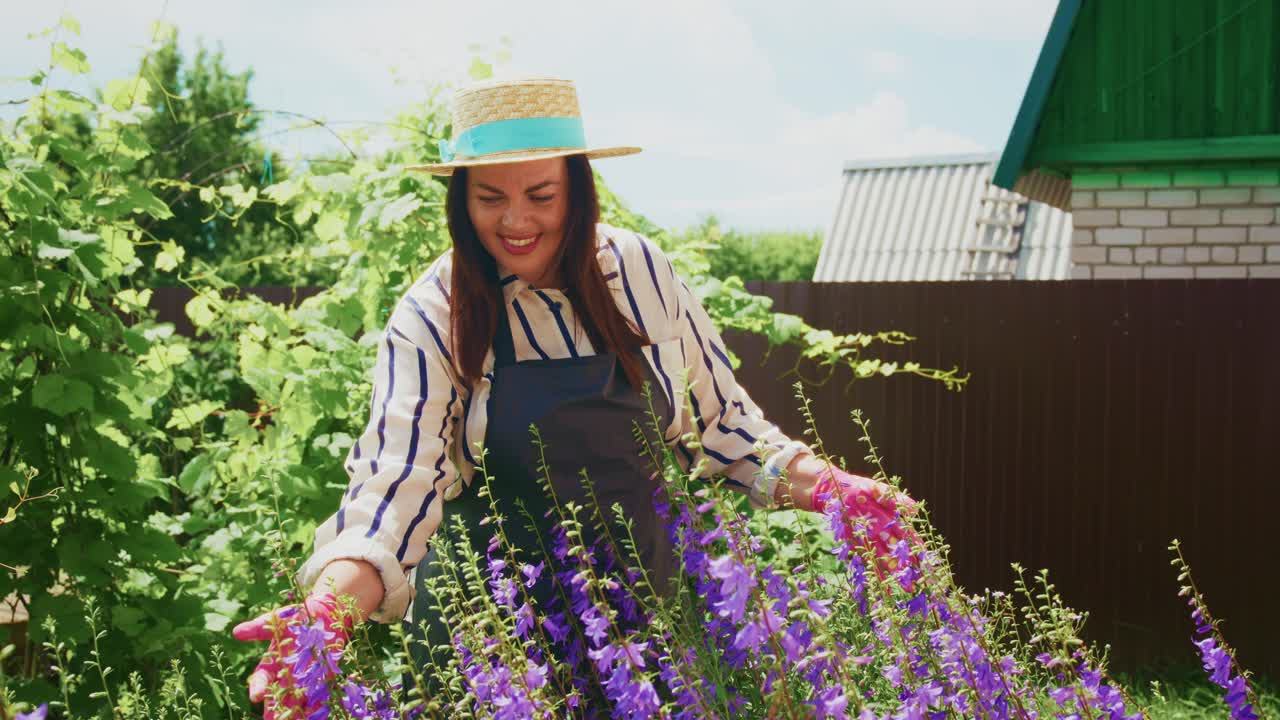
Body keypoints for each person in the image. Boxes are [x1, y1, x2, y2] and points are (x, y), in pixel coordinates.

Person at [232, 76, 915, 715]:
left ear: (578, 189)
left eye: (540, 194)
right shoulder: (434, 313)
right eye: (489, 197)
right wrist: (327, 616)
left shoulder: (641, 274)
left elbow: (724, 430)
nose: (515, 221)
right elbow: (394, 490)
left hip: (647, 627)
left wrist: (833, 489)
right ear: (461, 200)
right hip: (495, 646)